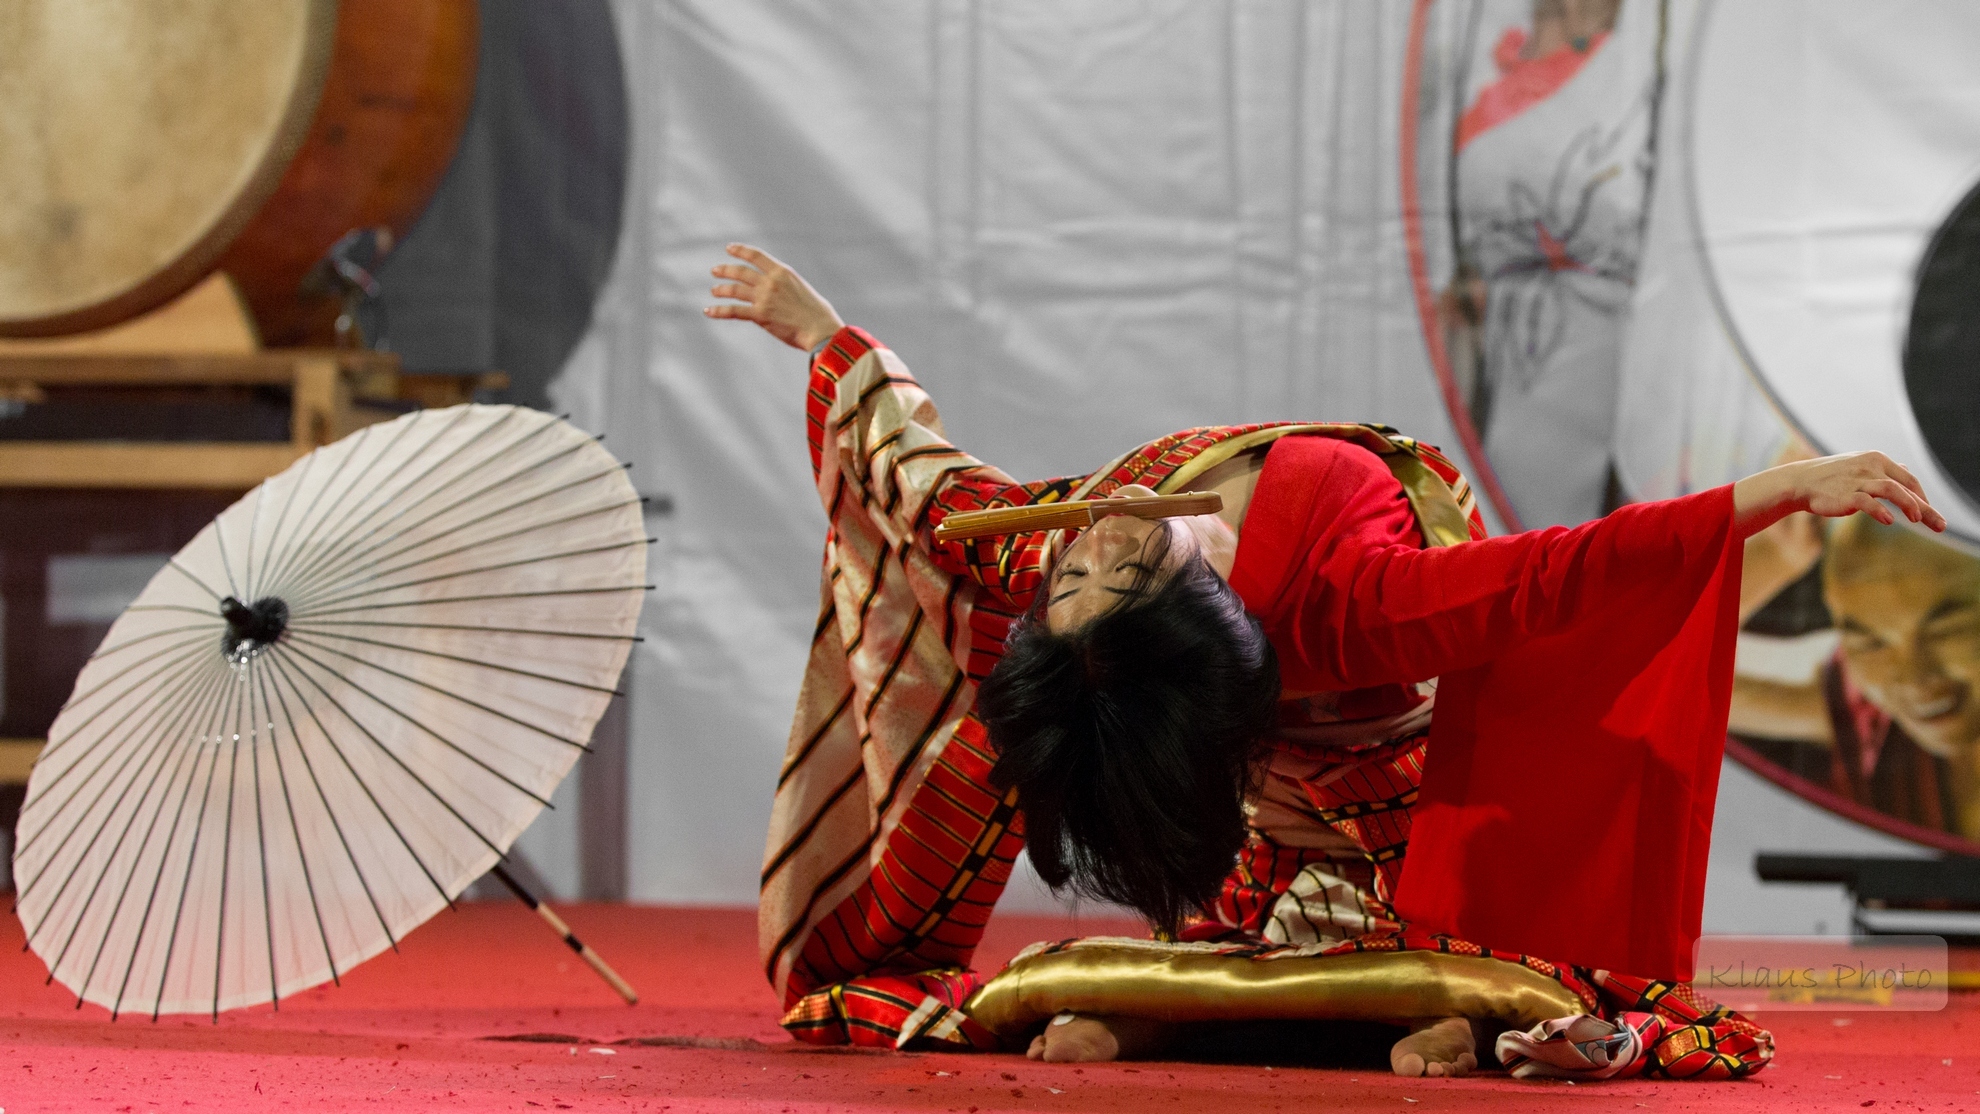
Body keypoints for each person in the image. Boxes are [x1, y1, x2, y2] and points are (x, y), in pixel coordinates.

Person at [708, 243, 1943, 1079]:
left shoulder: (1160, 556)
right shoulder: (1346, 607)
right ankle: (1319, 1002)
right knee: (1195, 887)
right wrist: (1762, 495)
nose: (1087, 548)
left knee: (1488, 960)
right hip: (1269, 814)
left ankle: (1333, 1001)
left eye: (1079, 576)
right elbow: (1560, 568)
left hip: (1392, 817)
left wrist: (824, 333)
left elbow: (937, 498)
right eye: (1093, 577)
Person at [1732, 509, 1980, 841]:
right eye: (1869, 643)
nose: (1911, 679)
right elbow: (1653, 670)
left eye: (1945, 630)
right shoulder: (1872, 723)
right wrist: (1777, 554)